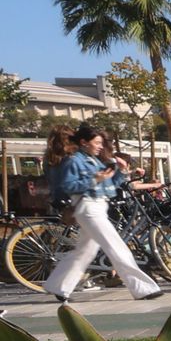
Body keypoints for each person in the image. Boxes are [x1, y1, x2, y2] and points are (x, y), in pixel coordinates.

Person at [41, 124, 163, 304]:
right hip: (88, 208)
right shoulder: (73, 161)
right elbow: (68, 186)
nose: (100, 146)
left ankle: (58, 285)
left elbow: (110, 187)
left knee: (84, 251)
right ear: (84, 142)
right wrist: (95, 179)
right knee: (116, 247)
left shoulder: (94, 160)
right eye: (97, 143)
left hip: (98, 207)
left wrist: (120, 172)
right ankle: (143, 288)